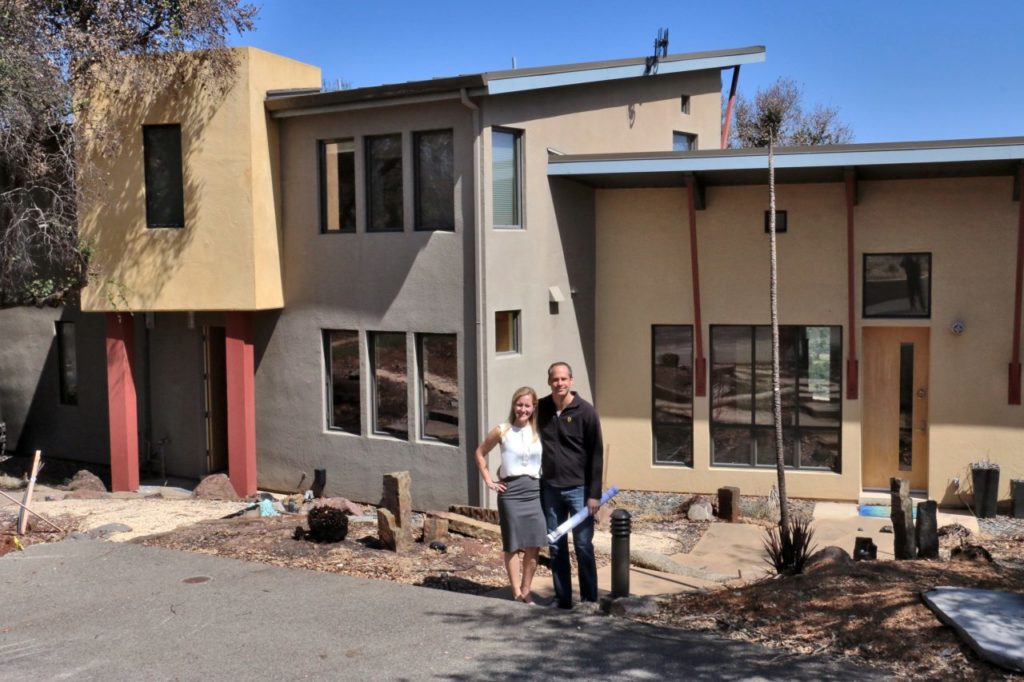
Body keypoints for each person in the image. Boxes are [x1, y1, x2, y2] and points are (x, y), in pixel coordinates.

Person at [538, 361, 604, 609]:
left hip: (580, 490)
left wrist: (594, 494)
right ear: (549, 382)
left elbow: (597, 454)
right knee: (556, 545)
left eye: (564, 379)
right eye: (555, 379)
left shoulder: (586, 412)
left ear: (571, 381)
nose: (560, 383)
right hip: (550, 488)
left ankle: (589, 600)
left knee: (583, 544)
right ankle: (562, 598)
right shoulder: (541, 408)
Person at [474, 386, 548, 604]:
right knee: (513, 544)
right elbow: (480, 452)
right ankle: (516, 592)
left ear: (533, 407)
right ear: (513, 405)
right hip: (511, 493)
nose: (522, 409)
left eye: (527, 405)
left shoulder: (539, 432)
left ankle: (527, 590)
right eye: (519, 404)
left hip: (534, 491)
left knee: (534, 544)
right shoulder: (502, 430)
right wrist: (489, 480)